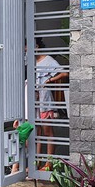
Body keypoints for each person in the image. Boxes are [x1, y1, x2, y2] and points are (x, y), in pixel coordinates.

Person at [34, 38, 67, 170]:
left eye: (27, 47)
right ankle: (36, 163)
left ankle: (49, 163)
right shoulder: (30, 61)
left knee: (47, 131)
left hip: (44, 101)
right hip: (33, 101)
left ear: (36, 46)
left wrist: (50, 80)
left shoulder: (48, 60)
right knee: (36, 132)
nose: (25, 51)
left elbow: (64, 72)